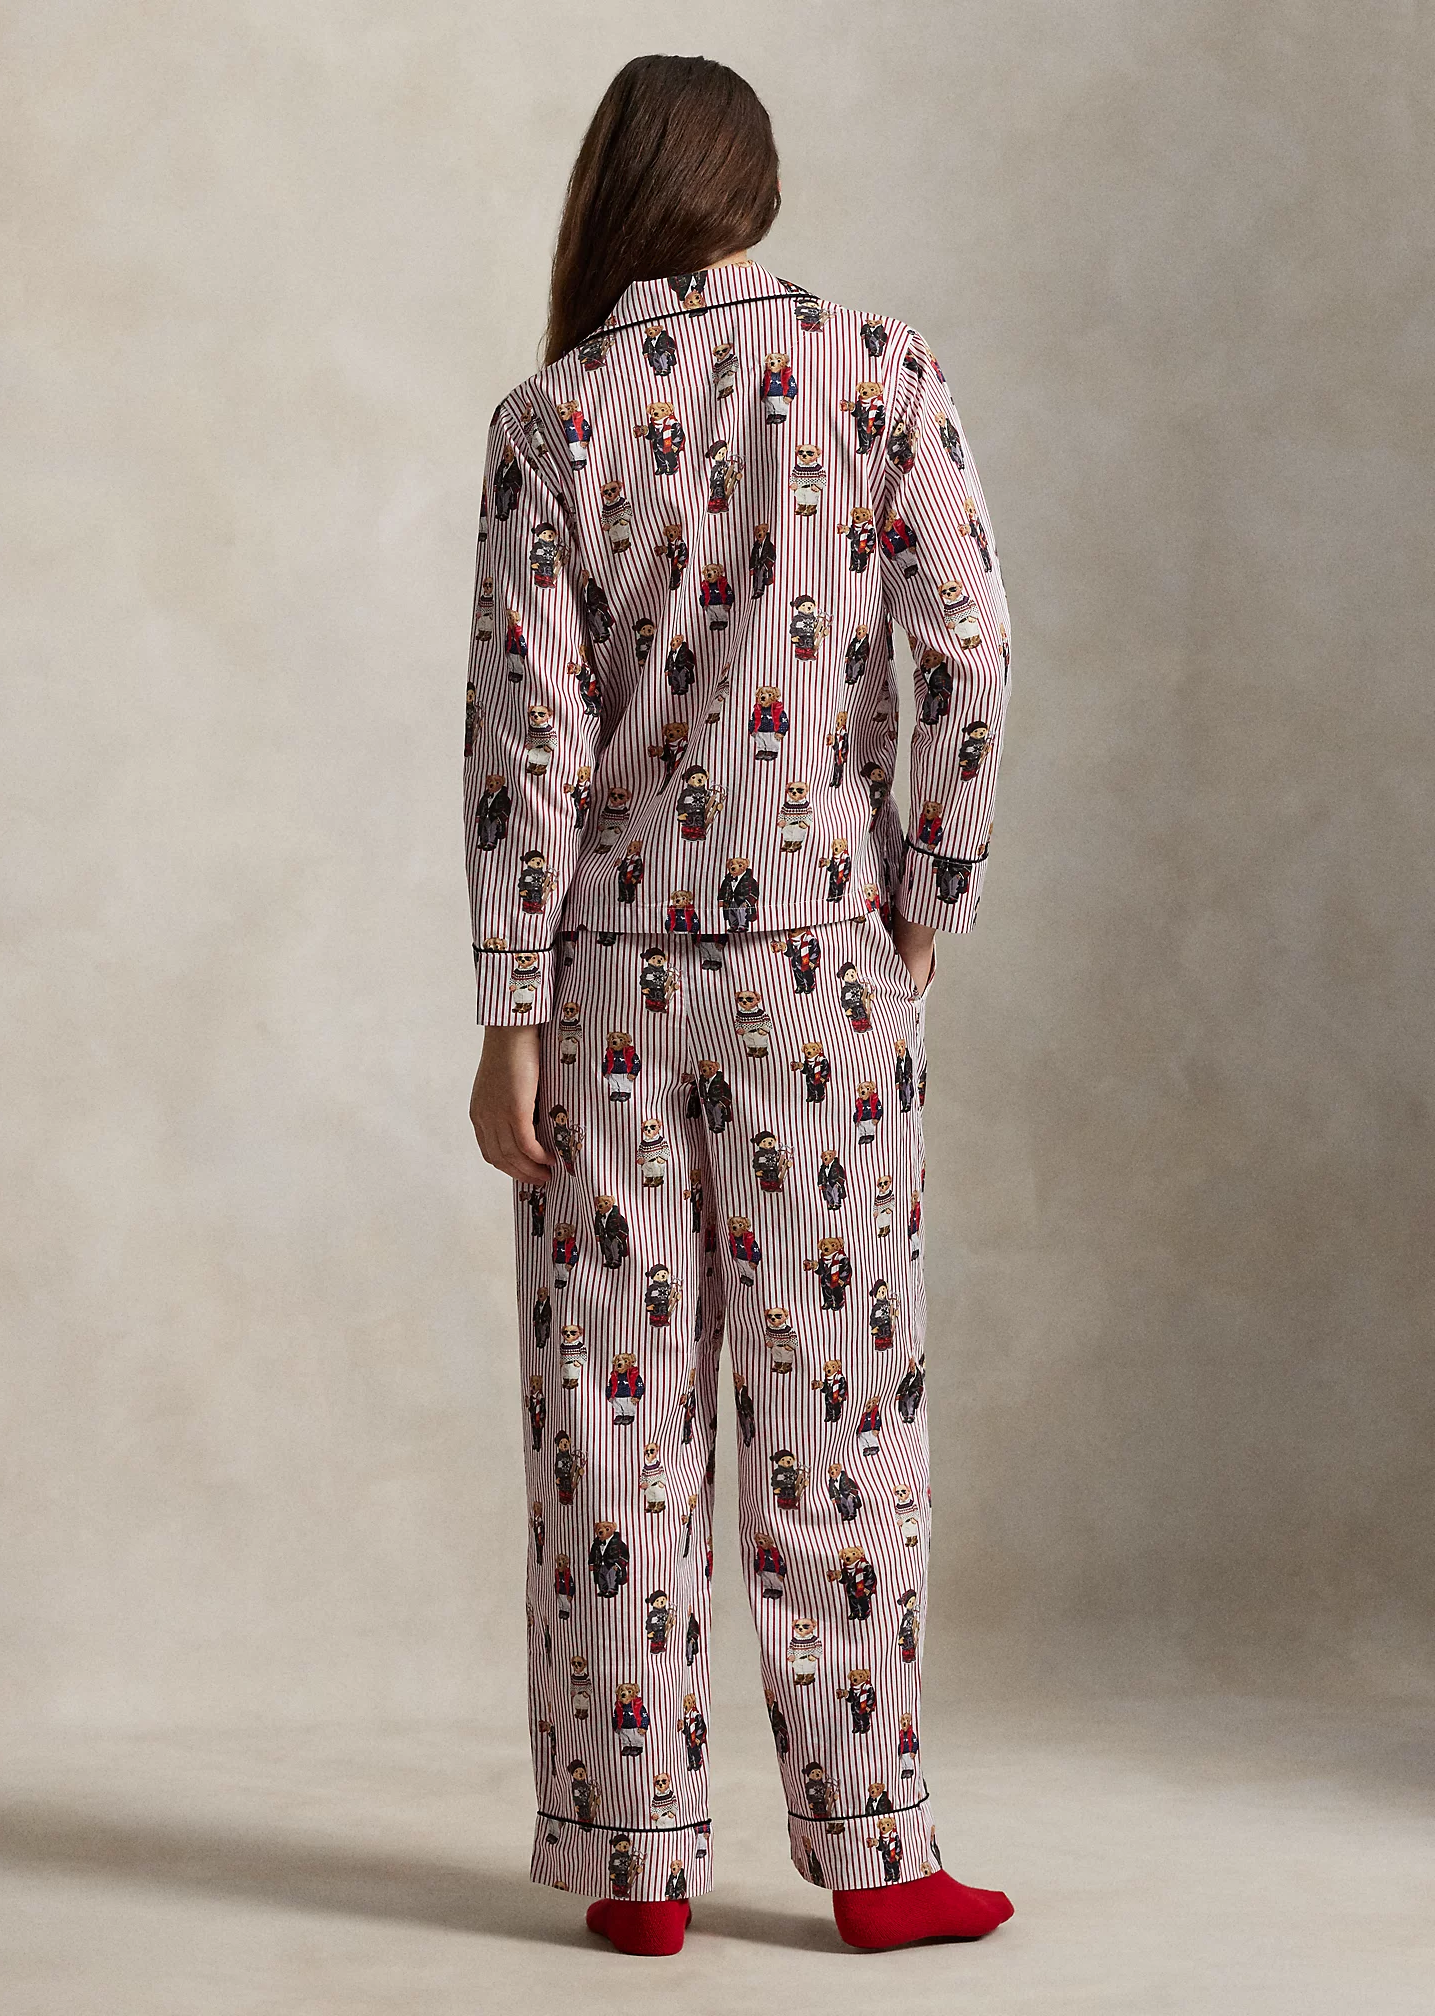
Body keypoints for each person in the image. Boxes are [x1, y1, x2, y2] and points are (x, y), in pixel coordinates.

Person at [465, 53, 1014, 1959]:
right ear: (755, 187)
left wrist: (509, 1015)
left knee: (607, 1418)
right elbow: (970, 643)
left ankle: (637, 1867)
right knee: (834, 1405)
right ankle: (877, 1861)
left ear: (618, 190)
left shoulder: (551, 420)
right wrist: (929, 886)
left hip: (607, 989)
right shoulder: (880, 371)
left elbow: (524, 739)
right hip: (814, 976)